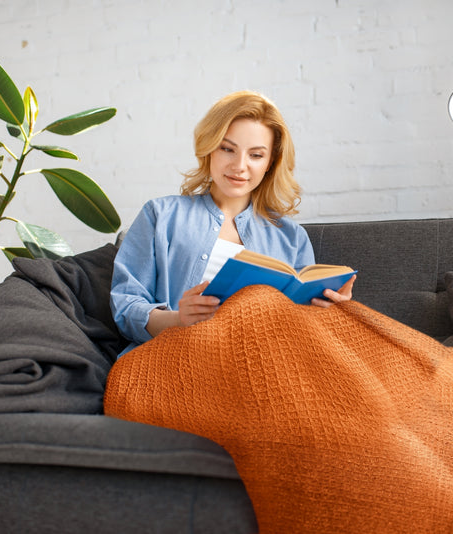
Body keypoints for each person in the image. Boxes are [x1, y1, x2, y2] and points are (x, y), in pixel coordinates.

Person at [110, 90, 356, 354]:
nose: (239, 166)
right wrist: (179, 319)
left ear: (270, 163)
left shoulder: (291, 238)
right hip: (176, 356)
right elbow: (126, 306)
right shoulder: (161, 215)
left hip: (264, 362)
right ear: (209, 149)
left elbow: (301, 335)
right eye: (227, 149)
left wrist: (329, 311)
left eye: (256, 155)